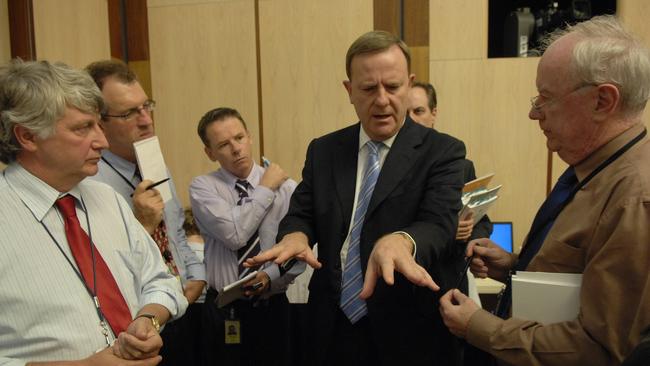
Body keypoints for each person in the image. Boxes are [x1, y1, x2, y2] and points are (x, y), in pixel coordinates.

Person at [439, 15, 650, 366]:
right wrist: (518, 268)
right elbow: (585, 279)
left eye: (546, 99)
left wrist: (479, 326)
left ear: (603, 101)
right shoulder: (596, 172)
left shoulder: (634, 199)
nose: (533, 114)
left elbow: (599, 349)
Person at [246, 31, 466, 365]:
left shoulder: (443, 151)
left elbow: (438, 225)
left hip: (408, 331)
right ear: (349, 91)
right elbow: (302, 212)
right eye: (367, 88)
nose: (381, 100)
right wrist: (295, 234)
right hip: (331, 326)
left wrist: (402, 240)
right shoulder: (324, 150)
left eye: (392, 87)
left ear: (409, 85)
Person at [0, 59, 187, 365]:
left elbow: (160, 280)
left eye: (99, 124)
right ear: (28, 136)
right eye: (82, 128)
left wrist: (148, 319)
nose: (101, 140)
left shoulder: (107, 200)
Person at [85, 60, 206, 366]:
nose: (146, 120)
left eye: (146, 106)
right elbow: (99, 264)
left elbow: (176, 231)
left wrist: (197, 277)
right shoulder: (89, 181)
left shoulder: (154, 163)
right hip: (136, 327)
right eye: (129, 113)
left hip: (185, 308)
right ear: (98, 122)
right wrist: (142, 224)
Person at [189, 107, 304, 366]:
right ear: (210, 153)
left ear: (250, 137)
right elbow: (235, 235)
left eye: (239, 138)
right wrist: (265, 188)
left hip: (273, 306)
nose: (236, 149)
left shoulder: (287, 188)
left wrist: (270, 276)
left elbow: (299, 251)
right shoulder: (203, 187)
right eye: (224, 144)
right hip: (224, 309)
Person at [408, 81, 493, 302]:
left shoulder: (460, 165)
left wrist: (474, 244)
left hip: (450, 283)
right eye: (406, 112)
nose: (412, 119)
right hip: (405, 287)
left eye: (418, 111)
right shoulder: (388, 170)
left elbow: (482, 221)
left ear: (433, 113)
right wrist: (446, 229)